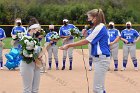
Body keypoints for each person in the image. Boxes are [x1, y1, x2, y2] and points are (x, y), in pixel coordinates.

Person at [60, 9, 110, 93]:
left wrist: (69, 45)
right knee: (100, 88)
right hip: (99, 59)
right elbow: (92, 39)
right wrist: (85, 34)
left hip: (102, 59)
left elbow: (86, 41)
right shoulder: (98, 27)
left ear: (95, 18)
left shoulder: (99, 27)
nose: (88, 20)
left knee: (97, 89)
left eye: (89, 18)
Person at [20, 17, 42, 93]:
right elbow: (24, 53)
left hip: (37, 64)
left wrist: (40, 57)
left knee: (35, 90)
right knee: (27, 89)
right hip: (27, 64)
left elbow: (38, 52)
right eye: (37, 29)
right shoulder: (25, 38)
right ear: (31, 29)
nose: (38, 31)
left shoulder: (37, 39)